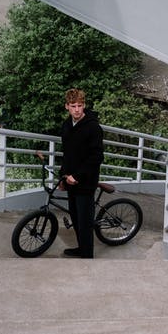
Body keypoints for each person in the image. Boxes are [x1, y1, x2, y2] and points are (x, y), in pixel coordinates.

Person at [58, 88, 103, 258]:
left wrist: (77, 176)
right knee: (76, 219)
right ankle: (81, 248)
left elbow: (97, 157)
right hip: (70, 180)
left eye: (80, 105)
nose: (77, 109)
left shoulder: (93, 128)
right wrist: (63, 176)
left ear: (84, 105)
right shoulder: (67, 125)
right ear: (67, 107)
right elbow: (67, 154)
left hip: (85, 182)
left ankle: (87, 255)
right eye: (73, 106)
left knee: (85, 222)